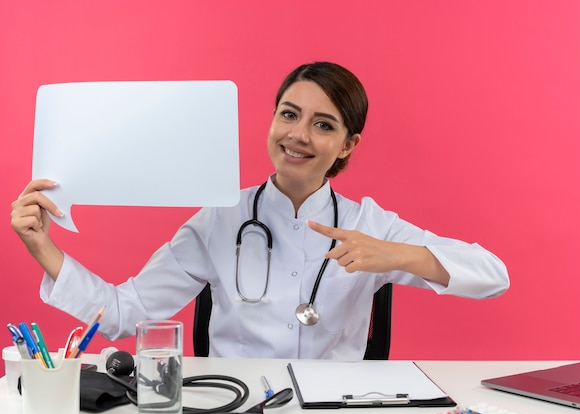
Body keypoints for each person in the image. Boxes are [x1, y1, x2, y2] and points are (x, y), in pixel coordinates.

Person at [11, 61, 509, 360]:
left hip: (334, 413)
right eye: (289, 114)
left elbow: (494, 275)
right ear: (272, 119)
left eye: (323, 124)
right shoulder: (220, 219)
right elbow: (122, 315)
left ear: (347, 145)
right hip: (237, 409)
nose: (298, 134)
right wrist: (43, 247)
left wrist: (399, 255)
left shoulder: (368, 223)